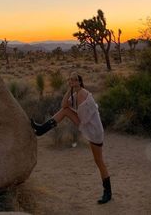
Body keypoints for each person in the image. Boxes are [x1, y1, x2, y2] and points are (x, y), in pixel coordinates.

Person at [30, 71, 112, 204]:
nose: (72, 82)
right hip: (89, 126)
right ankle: (40, 129)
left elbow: (83, 118)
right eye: (70, 80)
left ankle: (107, 193)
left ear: (80, 81)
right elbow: (64, 105)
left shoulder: (82, 94)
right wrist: (69, 89)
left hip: (94, 130)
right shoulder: (75, 93)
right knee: (65, 111)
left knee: (99, 162)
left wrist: (71, 112)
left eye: (74, 80)